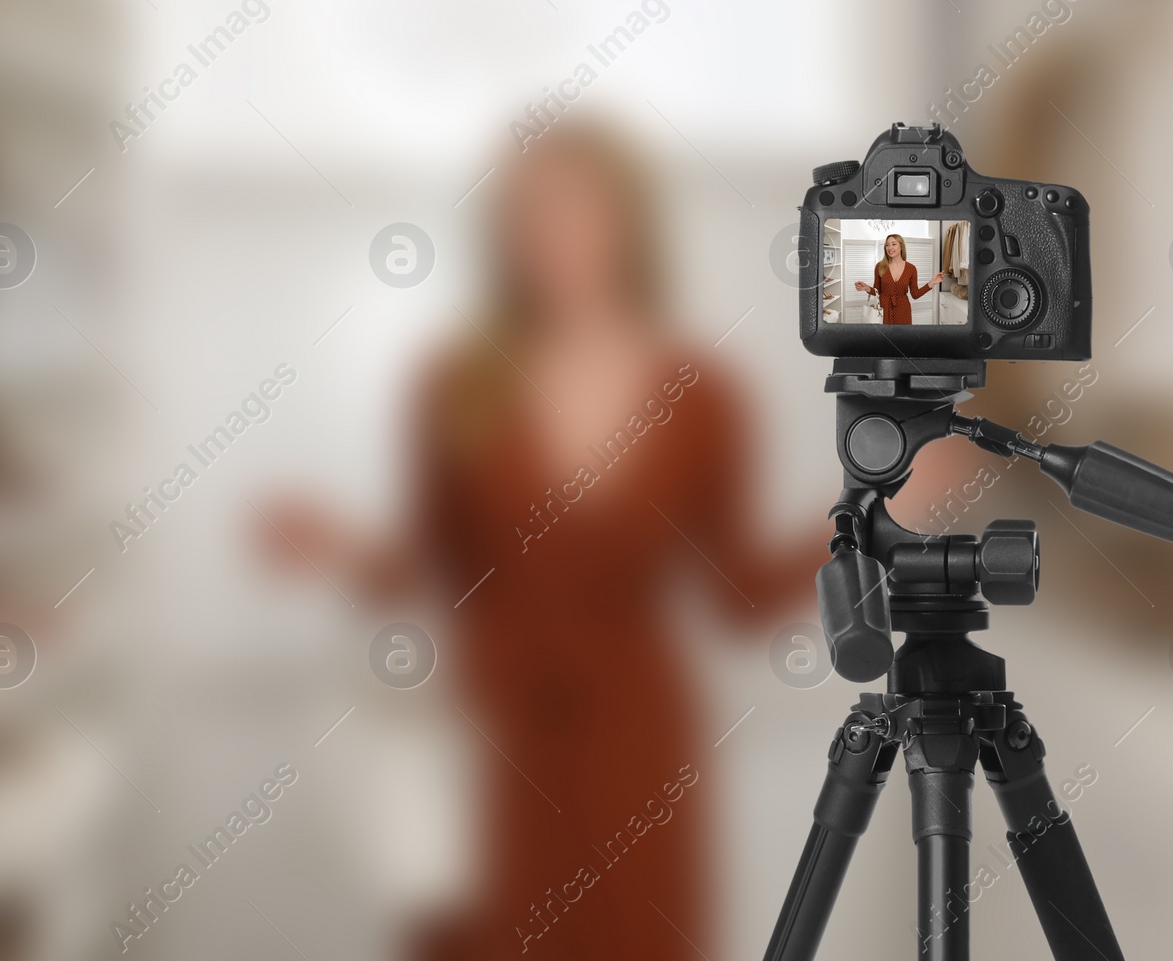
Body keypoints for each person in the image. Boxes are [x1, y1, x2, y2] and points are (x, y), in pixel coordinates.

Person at [257, 121, 827, 960]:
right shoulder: (456, 383)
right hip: (490, 743)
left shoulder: (704, 396)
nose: (550, 237)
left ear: (629, 222)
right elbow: (431, 565)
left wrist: (871, 514)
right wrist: (341, 550)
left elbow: (741, 596)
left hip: (635, 750)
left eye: (574, 210)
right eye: (527, 216)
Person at [854, 233, 943, 325]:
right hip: (884, 310)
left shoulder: (911, 268)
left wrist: (932, 282)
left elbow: (915, 294)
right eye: (887, 245)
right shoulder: (879, 266)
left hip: (903, 311)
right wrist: (866, 288)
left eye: (894, 244)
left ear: (901, 246)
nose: (889, 248)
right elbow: (877, 290)